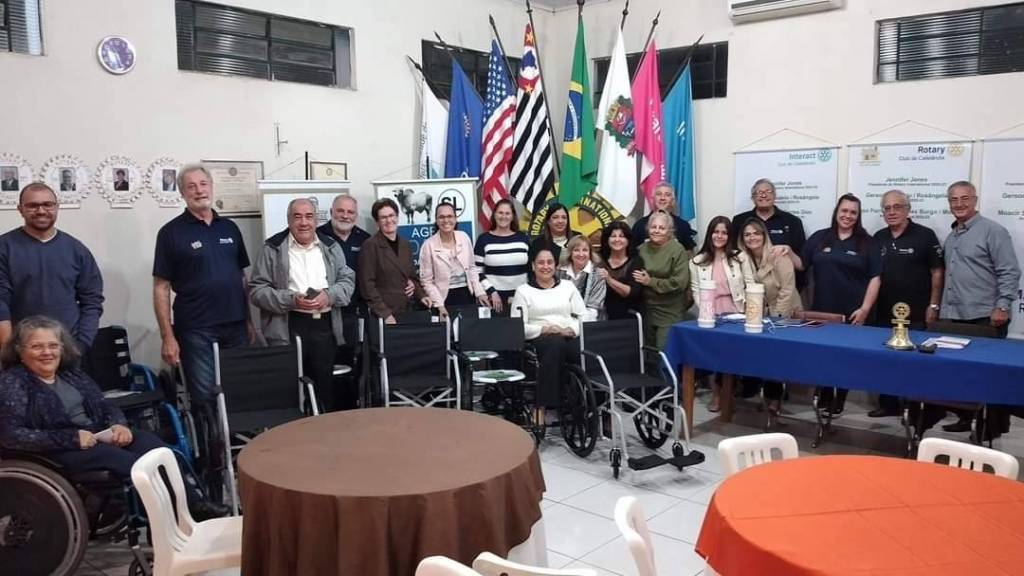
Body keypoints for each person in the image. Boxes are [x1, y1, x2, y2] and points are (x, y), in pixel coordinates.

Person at [0, 316, 228, 520]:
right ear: (20, 351)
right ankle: (170, 520)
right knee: (132, 464)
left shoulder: (71, 375)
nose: (47, 352)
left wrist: (118, 425)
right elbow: (11, 435)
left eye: (52, 345)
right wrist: (71, 438)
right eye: (37, 346)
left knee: (158, 450)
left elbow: (105, 404)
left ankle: (194, 505)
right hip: (58, 450)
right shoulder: (13, 382)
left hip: (97, 436)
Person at [152, 164, 251, 488]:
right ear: (182, 193)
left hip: (235, 327)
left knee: (239, 396)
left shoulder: (230, 228)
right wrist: (168, 336)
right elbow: (161, 287)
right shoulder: (171, 233)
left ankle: (242, 465)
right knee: (205, 399)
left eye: (203, 183)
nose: (199, 190)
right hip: (196, 330)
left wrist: (249, 321)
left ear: (211, 187)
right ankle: (213, 473)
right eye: (191, 186)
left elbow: (241, 278)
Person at [249, 198, 355, 412]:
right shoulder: (272, 248)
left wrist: (329, 295)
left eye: (308, 216)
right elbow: (257, 291)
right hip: (288, 326)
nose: (304, 222)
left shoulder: (331, 246)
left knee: (324, 387)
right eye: (297, 217)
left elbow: (347, 280)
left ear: (316, 220)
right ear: (289, 220)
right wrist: (290, 300)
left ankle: (323, 427)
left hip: (324, 326)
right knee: (290, 388)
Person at [938, 180, 1021, 434]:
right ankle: (966, 419)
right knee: (962, 374)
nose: (959, 204)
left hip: (986, 317)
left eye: (965, 198)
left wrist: (1003, 306)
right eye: (954, 199)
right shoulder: (952, 236)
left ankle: (991, 429)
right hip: (956, 316)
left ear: (975, 200)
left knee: (989, 376)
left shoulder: (992, 231)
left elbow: (1010, 271)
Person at [0, 183, 103, 353]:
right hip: (21, 350)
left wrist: (82, 343)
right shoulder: (4, 248)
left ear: (56, 207)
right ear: (20, 209)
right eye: (32, 205)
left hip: (68, 349)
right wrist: (7, 350)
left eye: (47, 204)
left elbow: (92, 301)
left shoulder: (77, 250)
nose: (41, 211)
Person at [802, 193, 881, 415]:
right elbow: (801, 264)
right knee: (822, 356)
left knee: (845, 358)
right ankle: (822, 395)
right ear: (837, 211)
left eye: (853, 212)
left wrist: (865, 309)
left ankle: (838, 400)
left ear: (858, 216)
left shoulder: (867, 242)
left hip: (852, 313)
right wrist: (786, 251)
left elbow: (876, 277)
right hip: (821, 312)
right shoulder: (820, 237)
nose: (848, 215)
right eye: (844, 210)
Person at [868, 190, 944, 418]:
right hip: (884, 312)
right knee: (886, 359)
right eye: (887, 208)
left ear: (908, 209)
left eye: (897, 207)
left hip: (918, 312)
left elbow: (937, 271)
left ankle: (914, 408)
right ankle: (888, 404)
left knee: (915, 362)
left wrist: (934, 305)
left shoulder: (925, 235)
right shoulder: (878, 237)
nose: (892, 212)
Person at [511, 248, 585, 421]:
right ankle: (541, 405)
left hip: (568, 333)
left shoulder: (568, 286)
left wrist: (571, 329)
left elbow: (584, 316)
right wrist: (545, 329)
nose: (546, 266)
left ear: (556, 265)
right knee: (555, 344)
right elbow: (517, 326)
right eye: (541, 263)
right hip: (540, 337)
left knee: (585, 351)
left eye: (550, 262)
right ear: (533, 266)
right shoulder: (523, 291)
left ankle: (587, 404)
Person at [689, 216, 754, 412]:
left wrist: (748, 311)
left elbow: (750, 284)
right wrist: (706, 311)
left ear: (729, 236)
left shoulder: (739, 257)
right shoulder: (697, 261)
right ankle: (717, 395)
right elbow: (696, 290)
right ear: (710, 234)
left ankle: (729, 393)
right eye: (716, 232)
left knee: (732, 354)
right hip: (711, 311)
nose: (719, 236)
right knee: (715, 354)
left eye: (724, 232)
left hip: (736, 309)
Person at [738, 217, 802, 413]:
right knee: (764, 355)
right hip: (762, 315)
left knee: (777, 356)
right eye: (747, 234)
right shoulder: (745, 259)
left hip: (786, 312)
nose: (752, 238)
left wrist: (777, 318)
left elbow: (787, 290)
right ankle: (767, 395)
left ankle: (775, 400)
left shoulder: (778, 255)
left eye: (756, 233)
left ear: (764, 235)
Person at [316, 193, 372, 409]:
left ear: (356, 216)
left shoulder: (365, 239)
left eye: (350, 212)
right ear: (331, 212)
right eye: (340, 211)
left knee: (354, 364)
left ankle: (352, 408)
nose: (345, 216)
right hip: (327, 313)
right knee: (327, 364)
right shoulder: (318, 237)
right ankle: (328, 409)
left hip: (356, 313)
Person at [358, 198, 430, 323]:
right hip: (385, 315)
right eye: (383, 217)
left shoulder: (405, 244)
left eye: (391, 215)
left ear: (397, 217)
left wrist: (421, 295)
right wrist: (385, 314)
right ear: (377, 222)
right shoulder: (370, 245)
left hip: (407, 310)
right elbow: (367, 286)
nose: (388, 220)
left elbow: (412, 277)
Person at [733, 178, 807, 287]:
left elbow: (801, 262)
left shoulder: (792, 222)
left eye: (768, 191)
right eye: (759, 192)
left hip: (782, 284)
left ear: (775, 196)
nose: (764, 195)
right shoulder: (739, 221)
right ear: (753, 198)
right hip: (748, 284)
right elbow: (733, 253)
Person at [419, 202, 487, 317]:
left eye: (450, 216)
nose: (446, 220)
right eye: (441, 217)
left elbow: (472, 268)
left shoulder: (464, 237)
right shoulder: (428, 245)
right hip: (443, 298)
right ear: (436, 220)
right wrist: (439, 305)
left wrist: (480, 292)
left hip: (467, 294)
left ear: (455, 219)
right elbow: (426, 282)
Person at [636, 210, 691, 350]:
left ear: (669, 231)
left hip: (669, 311)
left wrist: (651, 282)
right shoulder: (640, 249)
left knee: (663, 351)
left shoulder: (677, 250)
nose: (656, 231)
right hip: (646, 310)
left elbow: (680, 283)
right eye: (653, 227)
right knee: (647, 352)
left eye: (661, 228)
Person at [474, 198, 529, 313]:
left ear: (513, 216)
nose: (503, 216)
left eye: (507, 213)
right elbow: (476, 271)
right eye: (500, 213)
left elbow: (532, 268)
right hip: (494, 300)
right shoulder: (483, 239)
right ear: (494, 215)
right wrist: (491, 291)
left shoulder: (523, 238)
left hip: (522, 298)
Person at [597, 221, 644, 321]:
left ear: (628, 240)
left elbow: (632, 292)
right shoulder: (598, 259)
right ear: (607, 239)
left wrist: (609, 279)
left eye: (622, 236)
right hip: (600, 316)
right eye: (613, 236)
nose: (617, 239)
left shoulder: (636, 261)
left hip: (628, 316)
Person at [631, 181, 697, 250]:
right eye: (658, 194)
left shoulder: (683, 226)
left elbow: (689, 252)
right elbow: (632, 251)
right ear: (652, 199)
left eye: (667, 195)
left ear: (673, 201)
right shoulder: (639, 225)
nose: (662, 198)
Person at [559, 235, 606, 320]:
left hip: (590, 322)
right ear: (570, 253)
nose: (581, 254)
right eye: (576, 250)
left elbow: (593, 310)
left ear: (590, 253)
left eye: (585, 250)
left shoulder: (598, 275)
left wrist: (574, 323)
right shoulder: (560, 272)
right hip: (562, 319)